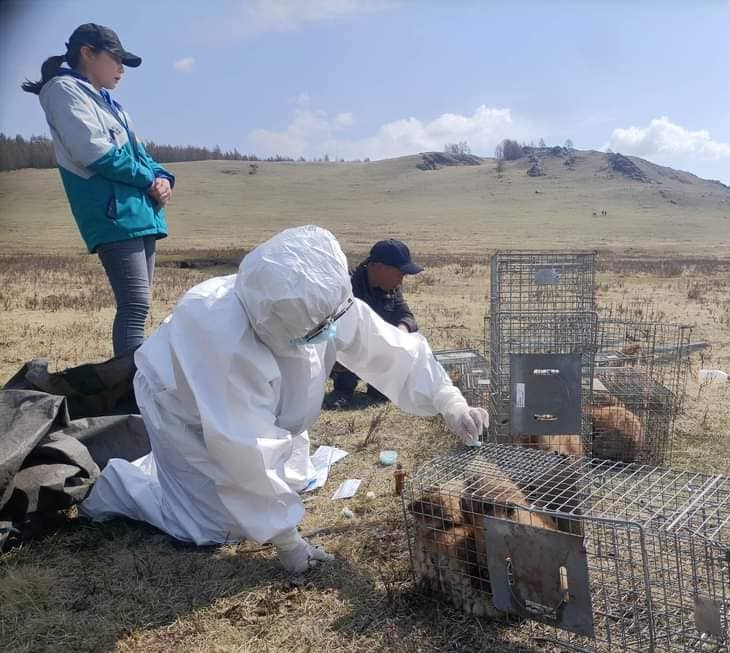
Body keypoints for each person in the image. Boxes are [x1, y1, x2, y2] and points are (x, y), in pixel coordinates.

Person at [80, 226, 488, 573]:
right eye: (314, 331)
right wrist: (289, 544)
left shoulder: (321, 299)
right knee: (212, 526)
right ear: (276, 324)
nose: (328, 334)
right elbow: (244, 445)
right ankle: (120, 484)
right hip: (183, 407)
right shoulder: (219, 337)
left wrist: (450, 402)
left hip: (261, 412)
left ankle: (178, 472)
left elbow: (392, 350)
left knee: (289, 481)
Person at [22, 23, 175, 357]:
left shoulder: (113, 106)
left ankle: (134, 387)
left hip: (137, 212)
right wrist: (149, 181)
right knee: (135, 305)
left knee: (141, 306)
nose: (121, 69)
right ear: (87, 53)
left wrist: (163, 178)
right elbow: (95, 153)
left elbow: (142, 155)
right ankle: (130, 390)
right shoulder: (64, 90)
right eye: (116, 59)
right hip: (113, 213)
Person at [327, 239, 422, 408]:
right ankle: (343, 389)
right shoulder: (345, 287)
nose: (401, 281)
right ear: (379, 268)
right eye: (400, 274)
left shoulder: (392, 289)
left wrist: (402, 332)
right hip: (344, 355)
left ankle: (380, 385)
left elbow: (406, 315)